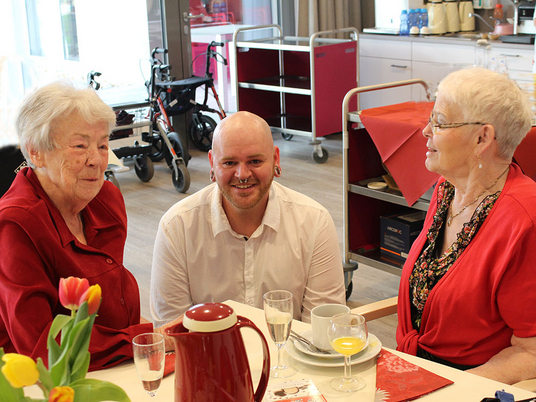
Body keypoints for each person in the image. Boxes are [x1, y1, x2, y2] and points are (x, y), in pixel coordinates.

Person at [0, 81, 174, 370]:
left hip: (115, 364)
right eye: (80, 146)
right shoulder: (14, 224)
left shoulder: (105, 199)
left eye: (103, 144)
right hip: (45, 383)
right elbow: (41, 346)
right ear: (35, 152)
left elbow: (108, 302)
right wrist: (143, 339)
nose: (96, 160)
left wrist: (147, 340)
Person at [396, 67, 536, 384]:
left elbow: (532, 352)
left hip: (472, 386)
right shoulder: (447, 191)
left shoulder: (525, 219)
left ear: (482, 138)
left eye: (440, 122)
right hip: (412, 373)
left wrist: (453, 390)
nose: (425, 131)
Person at [150, 111, 345, 325]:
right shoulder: (177, 227)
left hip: (290, 357)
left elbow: (323, 329)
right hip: (208, 357)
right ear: (212, 163)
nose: (242, 174)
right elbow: (172, 331)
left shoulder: (314, 222)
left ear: (275, 159)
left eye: (254, 161)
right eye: (229, 163)